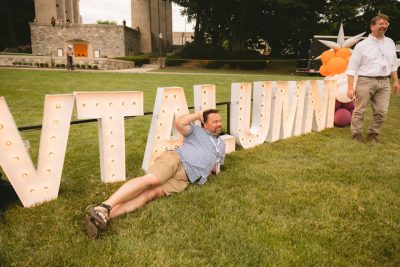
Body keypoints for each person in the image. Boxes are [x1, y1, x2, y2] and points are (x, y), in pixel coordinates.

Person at [84, 109, 226, 238]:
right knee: (151, 181)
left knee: (149, 195)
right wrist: (198, 115)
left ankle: (101, 218)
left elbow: (217, 166)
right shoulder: (195, 131)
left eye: (220, 121)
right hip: (177, 160)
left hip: (185, 179)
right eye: (215, 121)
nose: (219, 124)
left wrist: (213, 168)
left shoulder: (221, 144)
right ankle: (105, 206)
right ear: (204, 124)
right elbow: (179, 122)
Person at [346, 13, 399, 143]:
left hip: (384, 82)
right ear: (372, 26)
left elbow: (392, 64)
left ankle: (373, 134)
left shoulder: (390, 43)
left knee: (382, 111)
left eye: (386, 24)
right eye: (381, 23)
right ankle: (356, 134)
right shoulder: (362, 45)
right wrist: (350, 87)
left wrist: (396, 81)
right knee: (360, 110)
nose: (384, 26)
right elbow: (352, 67)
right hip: (365, 81)